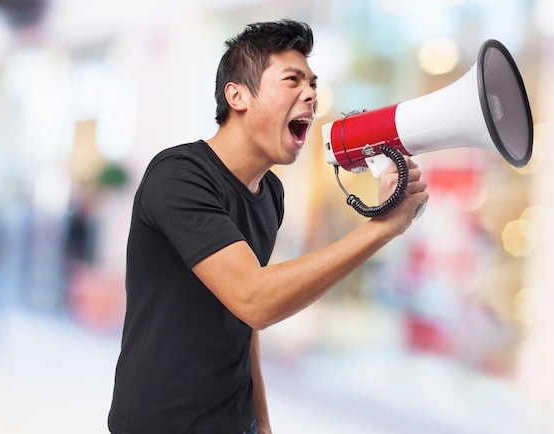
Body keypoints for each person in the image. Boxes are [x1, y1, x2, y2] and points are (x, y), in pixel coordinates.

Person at [108, 19, 429, 434]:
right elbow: (254, 298)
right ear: (237, 95)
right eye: (292, 80)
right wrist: (382, 227)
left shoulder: (270, 193)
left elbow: (244, 322)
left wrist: (261, 422)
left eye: (313, 84)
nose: (311, 94)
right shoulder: (178, 175)